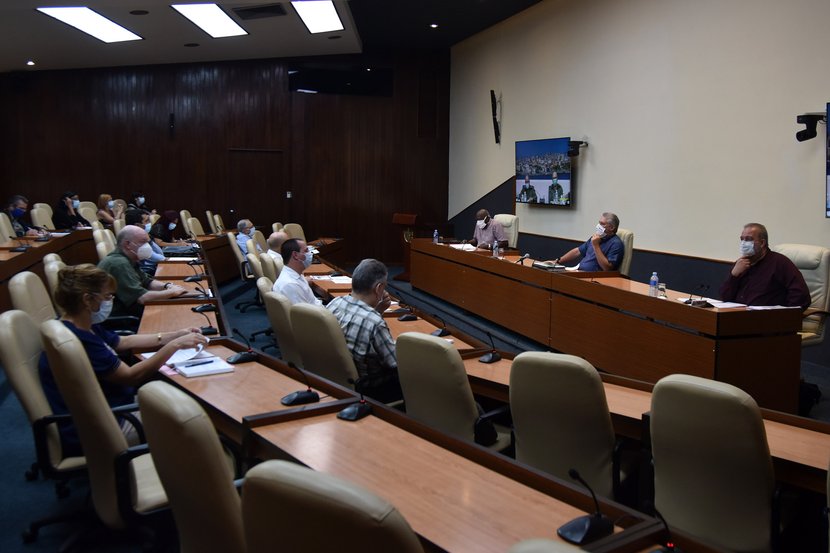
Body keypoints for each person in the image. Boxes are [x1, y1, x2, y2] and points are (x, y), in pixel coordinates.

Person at [38, 264, 208, 456]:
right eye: (107, 296)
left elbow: (122, 341)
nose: (110, 301)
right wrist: (174, 346)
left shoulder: (79, 324)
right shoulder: (79, 339)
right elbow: (130, 376)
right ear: (87, 299)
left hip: (112, 405)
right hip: (107, 424)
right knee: (194, 422)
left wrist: (174, 335)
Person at [326, 259, 402, 403]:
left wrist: (377, 310)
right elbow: (396, 364)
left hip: (338, 379)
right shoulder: (374, 322)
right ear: (379, 288)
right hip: (372, 389)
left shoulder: (335, 303)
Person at [98, 225, 193, 317]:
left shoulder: (129, 258)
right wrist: (172, 292)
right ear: (127, 244)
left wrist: (168, 286)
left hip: (131, 310)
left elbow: (147, 281)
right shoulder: (119, 264)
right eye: (143, 242)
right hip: (122, 316)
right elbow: (141, 298)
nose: (147, 246)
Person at [719, 223, 810, 309]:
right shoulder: (740, 263)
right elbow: (725, 297)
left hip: (766, 319)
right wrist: (734, 275)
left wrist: (783, 316)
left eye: (748, 239)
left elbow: (801, 296)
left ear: (762, 243)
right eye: (742, 239)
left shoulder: (779, 263)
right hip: (736, 315)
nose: (743, 243)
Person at [550, 212, 624, 271]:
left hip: (594, 278)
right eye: (599, 223)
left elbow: (607, 268)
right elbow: (577, 251)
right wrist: (557, 262)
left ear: (611, 227)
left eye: (602, 224)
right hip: (578, 271)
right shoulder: (596, 238)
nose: (598, 226)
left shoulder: (616, 244)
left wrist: (596, 246)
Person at [272, 238, 322, 306]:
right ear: (295, 255)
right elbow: (304, 314)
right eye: (306, 251)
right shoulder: (290, 284)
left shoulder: (295, 274)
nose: (310, 254)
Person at [125, 209, 165, 275]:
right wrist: (148, 240)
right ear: (137, 225)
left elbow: (160, 254)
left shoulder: (139, 236)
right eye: (147, 221)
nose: (150, 223)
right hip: (142, 274)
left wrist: (149, 240)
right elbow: (160, 257)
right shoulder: (132, 242)